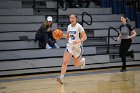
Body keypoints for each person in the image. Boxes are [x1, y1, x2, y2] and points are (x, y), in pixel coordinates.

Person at [57, 14, 87, 84]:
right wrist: (61, 35)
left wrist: (78, 41)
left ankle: (82, 61)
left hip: (77, 47)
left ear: (76, 19)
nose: (71, 19)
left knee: (76, 65)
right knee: (65, 61)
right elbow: (67, 37)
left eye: (73, 18)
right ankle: (61, 78)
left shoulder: (79, 26)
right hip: (70, 46)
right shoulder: (69, 26)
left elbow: (85, 37)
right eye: (70, 18)